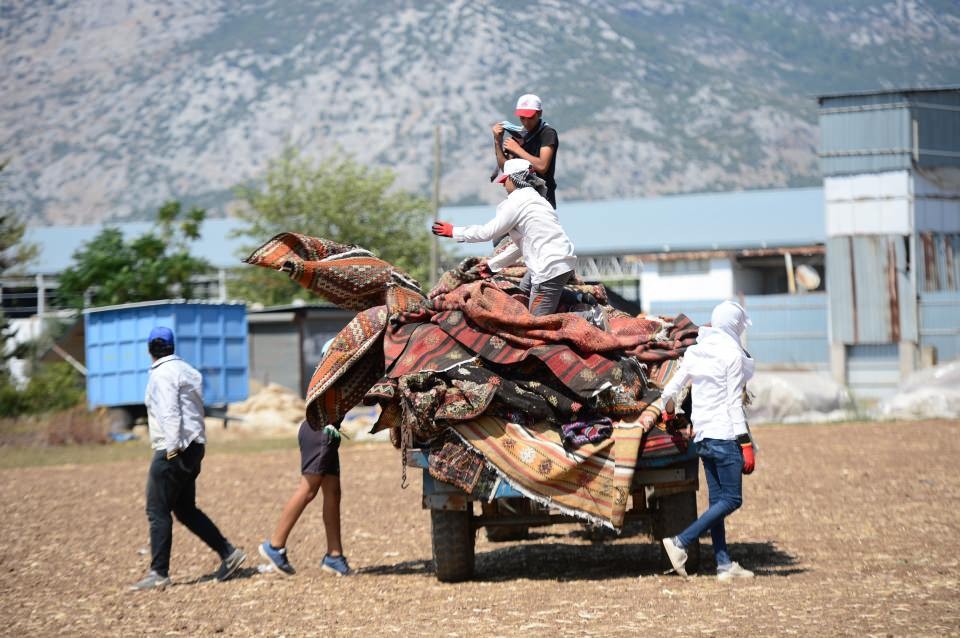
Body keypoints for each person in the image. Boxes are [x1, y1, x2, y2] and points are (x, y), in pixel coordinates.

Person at [131, 327, 246, 591]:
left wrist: (171, 449)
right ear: (171, 347)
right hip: (195, 446)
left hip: (175, 448)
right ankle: (229, 553)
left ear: (150, 350)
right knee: (185, 509)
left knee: (157, 509)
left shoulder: (162, 374)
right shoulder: (189, 371)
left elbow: (170, 411)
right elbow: (194, 411)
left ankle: (159, 573)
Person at [653, 301, 757, 581]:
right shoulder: (733, 355)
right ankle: (679, 542)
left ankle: (723, 564)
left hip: (702, 438)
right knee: (732, 499)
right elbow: (735, 404)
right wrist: (745, 444)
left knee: (717, 503)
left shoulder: (697, 351)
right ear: (735, 325)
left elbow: (671, 391)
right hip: (725, 436)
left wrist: (671, 411)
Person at [432, 157, 577, 316]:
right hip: (557, 261)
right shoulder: (538, 200)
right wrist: (493, 264)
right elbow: (521, 245)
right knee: (523, 291)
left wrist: (453, 231)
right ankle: (578, 301)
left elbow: (488, 232)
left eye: (504, 180)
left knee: (536, 323)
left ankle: (588, 316)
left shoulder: (516, 202)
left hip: (548, 267)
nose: (502, 184)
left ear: (513, 178)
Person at [258, 341, 352, 577]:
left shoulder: (335, 373)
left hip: (325, 432)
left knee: (333, 493)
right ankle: (275, 546)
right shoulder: (330, 373)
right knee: (308, 490)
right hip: (320, 432)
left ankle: (334, 556)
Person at [492, 93, 560, 209]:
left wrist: (517, 149)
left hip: (542, 199)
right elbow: (506, 169)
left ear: (539, 113)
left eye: (530, 118)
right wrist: (498, 141)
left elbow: (543, 166)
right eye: (522, 118)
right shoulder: (520, 136)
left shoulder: (547, 133)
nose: (526, 122)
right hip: (520, 199)